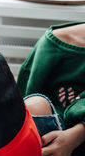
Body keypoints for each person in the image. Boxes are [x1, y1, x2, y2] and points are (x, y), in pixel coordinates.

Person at [18, 22, 85, 156]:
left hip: (76, 136)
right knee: (35, 105)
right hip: (49, 137)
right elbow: (22, 103)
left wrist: (74, 137)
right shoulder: (51, 47)